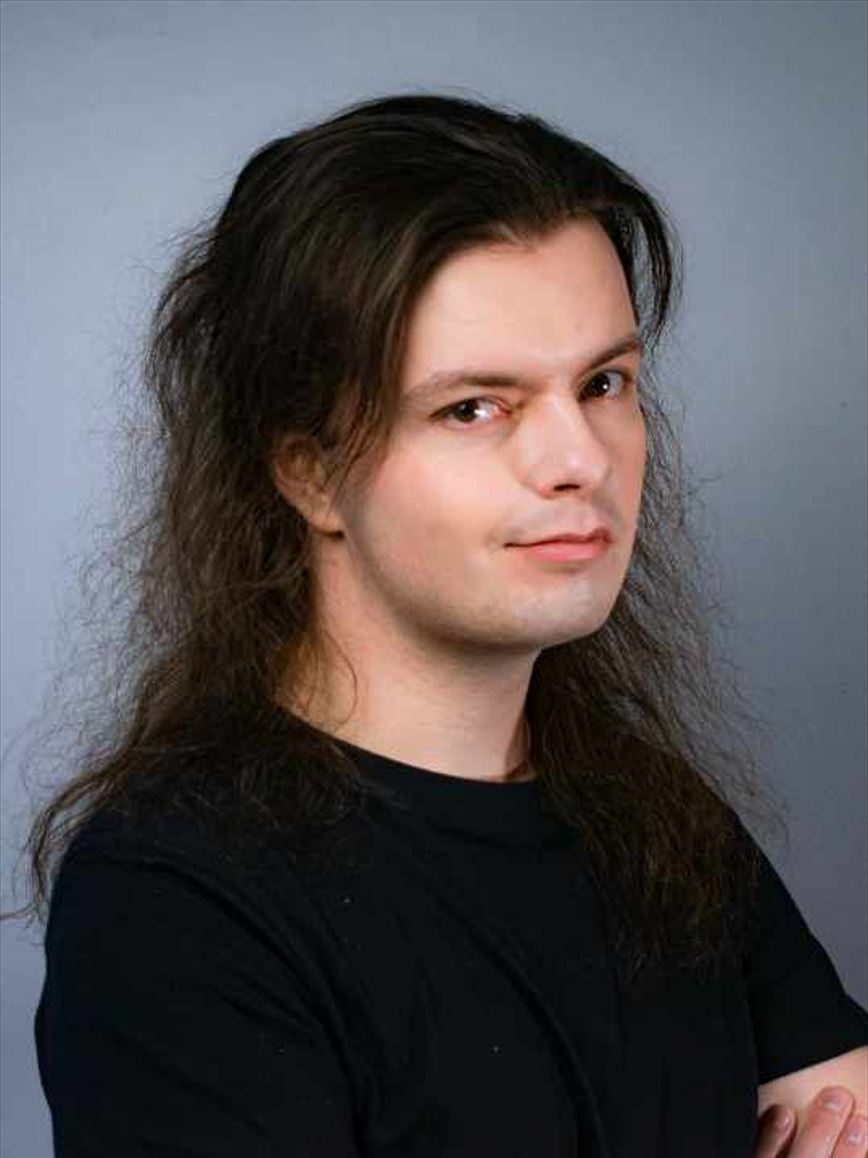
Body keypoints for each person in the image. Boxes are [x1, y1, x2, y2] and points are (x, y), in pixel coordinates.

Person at [23, 92, 867, 1156]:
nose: (581, 460)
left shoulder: (658, 824)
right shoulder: (174, 902)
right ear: (310, 471)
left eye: (603, 383)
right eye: (475, 406)